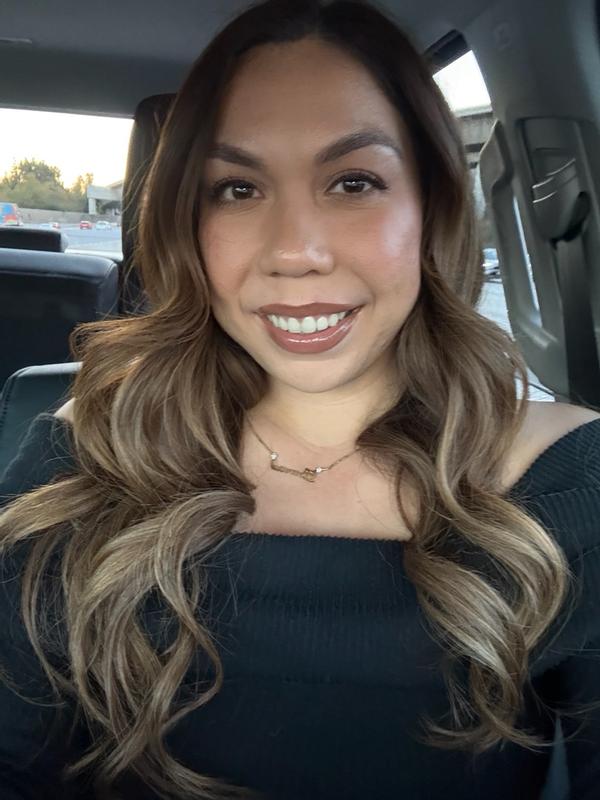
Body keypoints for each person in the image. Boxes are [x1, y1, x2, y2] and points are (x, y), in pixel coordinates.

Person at [1, 1, 600, 798]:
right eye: (237, 188)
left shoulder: (570, 476)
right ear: (188, 224)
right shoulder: (90, 448)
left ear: (432, 208)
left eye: (354, 182)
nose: (296, 252)